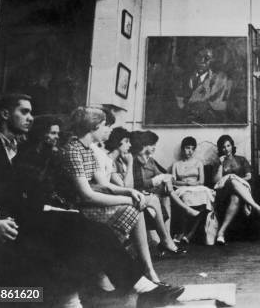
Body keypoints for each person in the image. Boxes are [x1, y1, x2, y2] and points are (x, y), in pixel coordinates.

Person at [0, 86, 185, 307]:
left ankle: (138, 286)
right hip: (8, 224)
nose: (31, 119)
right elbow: (1, 198)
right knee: (77, 231)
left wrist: (43, 208)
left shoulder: (18, 147)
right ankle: (112, 290)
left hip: (16, 218)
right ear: (4, 115)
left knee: (88, 228)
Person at [53, 107, 163, 284]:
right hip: (75, 209)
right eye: (105, 125)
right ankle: (130, 271)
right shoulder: (73, 150)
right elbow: (87, 195)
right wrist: (128, 198)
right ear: (93, 127)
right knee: (132, 208)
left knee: (135, 206)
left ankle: (144, 269)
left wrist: (130, 191)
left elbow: (103, 184)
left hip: (88, 203)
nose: (109, 130)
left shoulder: (87, 149)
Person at [105, 127, 183, 256]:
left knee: (155, 198)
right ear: (118, 143)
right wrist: (130, 163)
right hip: (116, 197)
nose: (129, 145)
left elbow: (129, 186)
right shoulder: (114, 161)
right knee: (153, 199)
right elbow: (126, 187)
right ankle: (166, 240)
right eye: (126, 141)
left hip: (128, 194)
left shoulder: (121, 159)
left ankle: (165, 240)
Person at [0, 93, 33, 218]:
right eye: (24, 112)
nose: (30, 118)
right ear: (5, 114)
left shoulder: (25, 149)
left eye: (31, 113)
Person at [213, 134, 260, 244]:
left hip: (240, 190)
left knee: (236, 198)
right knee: (232, 180)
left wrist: (236, 179)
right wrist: (220, 165)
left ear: (232, 146)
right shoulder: (219, 162)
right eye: (223, 147)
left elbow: (249, 176)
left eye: (228, 146)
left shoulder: (241, 159)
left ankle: (221, 233)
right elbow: (217, 181)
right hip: (224, 192)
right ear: (220, 149)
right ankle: (257, 207)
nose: (226, 149)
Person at [171, 136, 214, 244]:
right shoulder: (176, 164)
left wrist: (193, 184)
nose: (189, 151)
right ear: (182, 149)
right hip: (182, 188)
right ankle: (182, 233)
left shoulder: (198, 163)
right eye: (187, 148)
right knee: (185, 198)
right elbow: (173, 181)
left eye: (192, 148)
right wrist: (186, 183)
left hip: (197, 187)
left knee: (206, 199)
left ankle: (189, 235)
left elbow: (202, 181)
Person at [176, 47, 232, 124]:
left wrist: (207, 105)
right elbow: (179, 99)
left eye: (207, 58)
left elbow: (221, 104)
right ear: (195, 58)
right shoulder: (184, 77)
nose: (202, 61)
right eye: (199, 57)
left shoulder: (219, 79)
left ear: (212, 61)